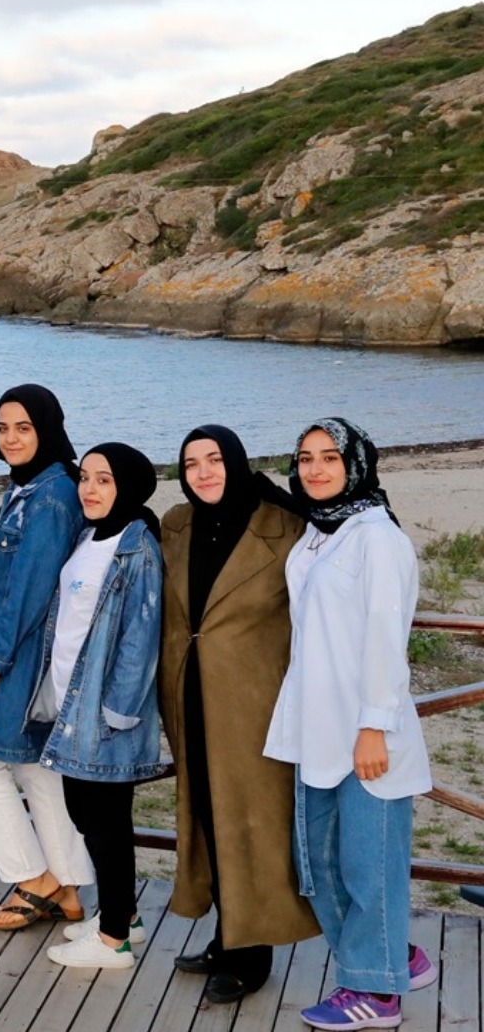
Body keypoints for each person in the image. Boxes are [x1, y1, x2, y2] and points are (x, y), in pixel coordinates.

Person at [266, 419, 437, 1030]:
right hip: (315, 729)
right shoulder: (315, 536)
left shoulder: (377, 540)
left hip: (369, 733)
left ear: (356, 464)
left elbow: (385, 641)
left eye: (330, 458)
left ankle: (376, 994)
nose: (315, 469)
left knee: (370, 867)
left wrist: (373, 726)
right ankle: (395, 958)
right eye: (306, 459)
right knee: (318, 868)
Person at [159, 426, 317, 1003]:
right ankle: (228, 936)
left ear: (237, 462)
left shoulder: (284, 526)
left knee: (251, 827)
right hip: (189, 699)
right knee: (206, 815)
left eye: (215, 460)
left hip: (255, 706)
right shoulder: (177, 525)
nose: (204, 472)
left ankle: (252, 957)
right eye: (192, 463)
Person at [0, 384, 94, 932]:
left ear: (47, 428)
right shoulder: (32, 486)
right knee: (37, 767)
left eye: (23, 428)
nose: (10, 438)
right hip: (34, 658)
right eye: (3, 428)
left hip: (19, 657)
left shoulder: (51, 496)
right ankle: (70, 887)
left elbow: (28, 588)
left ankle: (32, 879)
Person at [38, 443, 165, 971]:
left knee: (107, 824)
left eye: (104, 480)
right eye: (85, 478)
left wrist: (117, 713)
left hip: (105, 713)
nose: (89, 489)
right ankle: (123, 915)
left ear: (128, 487)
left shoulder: (138, 548)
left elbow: (140, 638)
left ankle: (115, 942)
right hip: (71, 704)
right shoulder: (89, 535)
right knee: (85, 815)